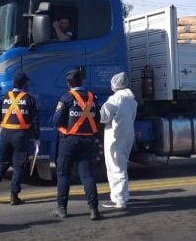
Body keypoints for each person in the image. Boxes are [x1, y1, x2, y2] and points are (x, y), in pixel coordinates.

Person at [0, 71, 39, 205]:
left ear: (14, 83)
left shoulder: (4, 98)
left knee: (3, 163)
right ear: (24, 84)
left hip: (6, 134)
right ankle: (14, 196)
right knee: (19, 166)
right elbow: (35, 120)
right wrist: (36, 137)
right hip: (20, 135)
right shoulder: (29, 99)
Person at [52, 69, 102, 220]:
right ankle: (94, 209)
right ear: (81, 82)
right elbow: (97, 119)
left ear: (69, 84)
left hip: (69, 141)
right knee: (87, 175)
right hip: (88, 140)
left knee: (63, 174)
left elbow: (57, 120)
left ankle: (62, 209)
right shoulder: (92, 98)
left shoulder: (66, 98)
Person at [99, 72, 137, 210]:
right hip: (127, 136)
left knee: (115, 167)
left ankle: (119, 199)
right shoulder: (132, 100)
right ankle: (124, 195)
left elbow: (103, 117)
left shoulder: (115, 99)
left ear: (115, 84)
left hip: (115, 137)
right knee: (122, 165)